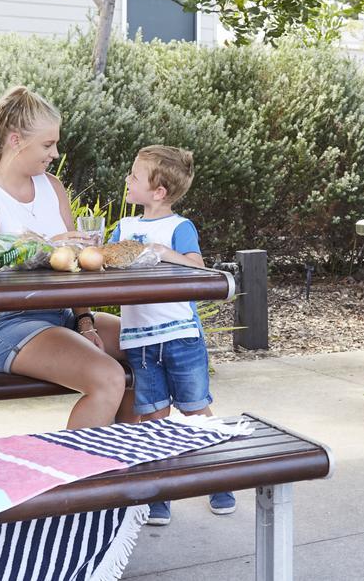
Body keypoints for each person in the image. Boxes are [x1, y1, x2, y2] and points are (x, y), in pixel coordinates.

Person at [0, 85, 130, 430]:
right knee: (108, 377)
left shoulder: (52, 187)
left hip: (61, 312)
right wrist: (49, 245)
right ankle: (80, 479)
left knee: (148, 346)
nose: (55, 153)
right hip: (3, 323)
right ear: (16, 140)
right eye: (47, 145)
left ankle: (134, 466)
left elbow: (74, 266)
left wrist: (85, 321)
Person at [108, 144, 236, 526]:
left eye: (134, 175)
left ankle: (220, 478)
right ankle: (159, 493)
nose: (127, 180)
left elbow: (198, 269)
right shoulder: (124, 228)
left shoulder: (179, 228)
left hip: (180, 334)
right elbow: (111, 262)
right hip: (139, 339)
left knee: (195, 408)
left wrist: (165, 252)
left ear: (158, 192)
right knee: (153, 415)